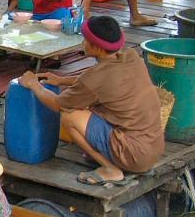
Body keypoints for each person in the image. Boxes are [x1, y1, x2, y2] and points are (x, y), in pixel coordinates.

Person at [19, 16, 164, 186]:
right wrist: (60, 80)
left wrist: (34, 84)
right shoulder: (131, 57)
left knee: (69, 116)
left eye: (85, 40)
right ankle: (111, 157)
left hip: (134, 155)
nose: (83, 43)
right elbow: (97, 83)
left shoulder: (96, 78)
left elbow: (57, 104)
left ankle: (111, 169)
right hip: (153, 149)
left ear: (96, 48)